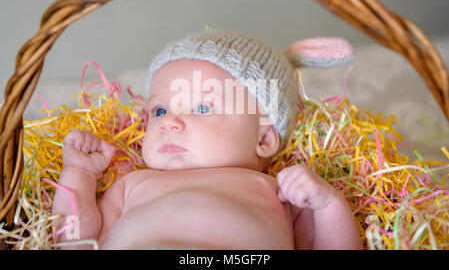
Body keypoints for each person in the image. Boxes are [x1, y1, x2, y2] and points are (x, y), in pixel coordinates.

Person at [52, 30, 363, 249]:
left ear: (265, 139)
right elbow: (75, 243)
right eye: (159, 110)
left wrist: (327, 205)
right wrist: (79, 175)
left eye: (202, 107)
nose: (169, 122)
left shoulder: (281, 193)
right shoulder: (132, 183)